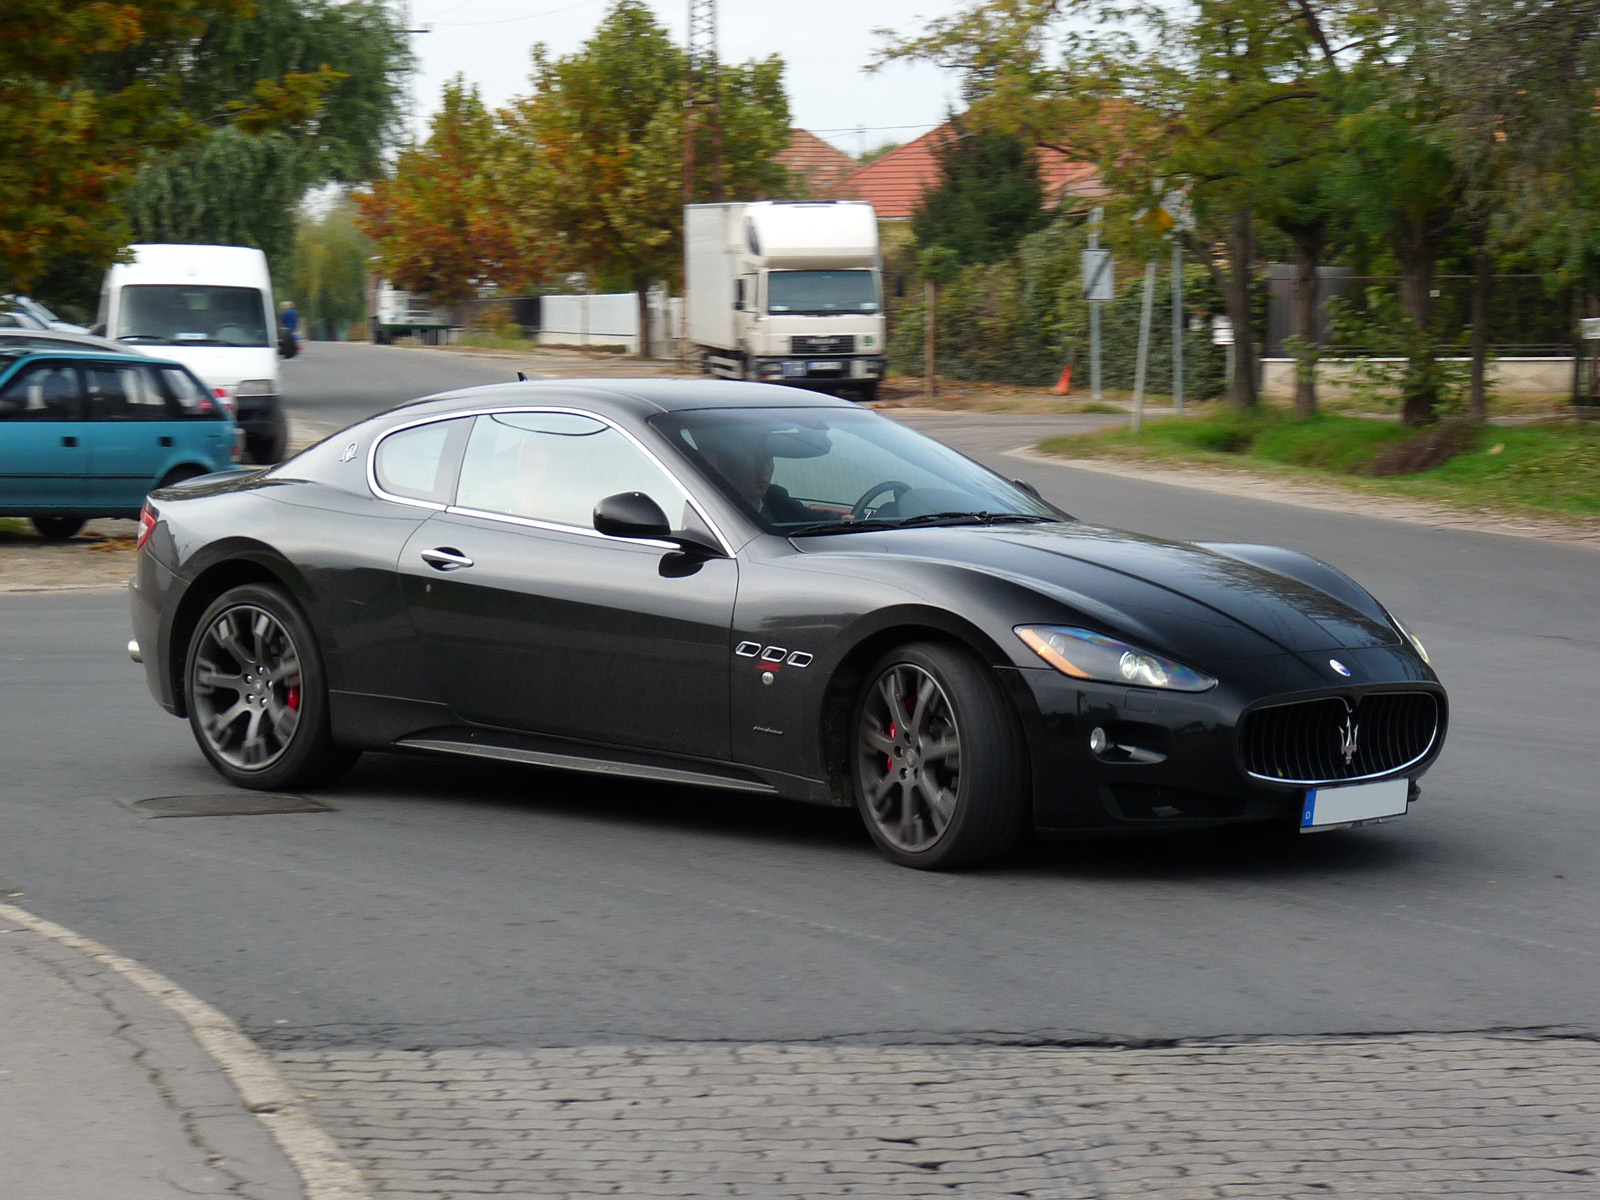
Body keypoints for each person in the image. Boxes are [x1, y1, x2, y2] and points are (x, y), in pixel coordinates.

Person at [697, 429, 813, 524]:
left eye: (769, 458)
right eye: (753, 459)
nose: (763, 468)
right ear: (720, 461)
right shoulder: (704, 509)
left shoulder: (775, 500)